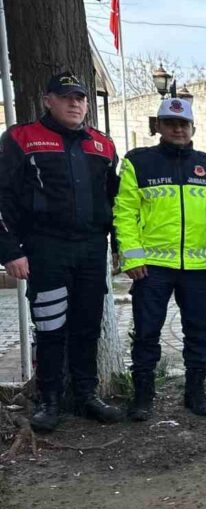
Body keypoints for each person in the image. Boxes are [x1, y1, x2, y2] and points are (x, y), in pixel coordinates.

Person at [0, 71, 122, 432]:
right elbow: (2, 197)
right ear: (48, 100)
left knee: (87, 326)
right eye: (66, 96)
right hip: (45, 248)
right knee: (51, 326)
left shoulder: (102, 144)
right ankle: (49, 399)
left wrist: (117, 245)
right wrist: (10, 251)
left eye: (80, 98)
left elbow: (114, 199)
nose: (75, 103)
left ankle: (86, 395)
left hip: (89, 250)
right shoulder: (21, 139)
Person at [113, 97, 206, 421]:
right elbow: (125, 213)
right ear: (158, 126)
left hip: (197, 267)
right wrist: (133, 258)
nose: (178, 129)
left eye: (183, 124)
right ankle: (143, 396)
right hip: (152, 268)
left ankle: (196, 392)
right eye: (170, 123)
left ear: (193, 128)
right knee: (147, 332)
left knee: (199, 333)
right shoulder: (139, 162)